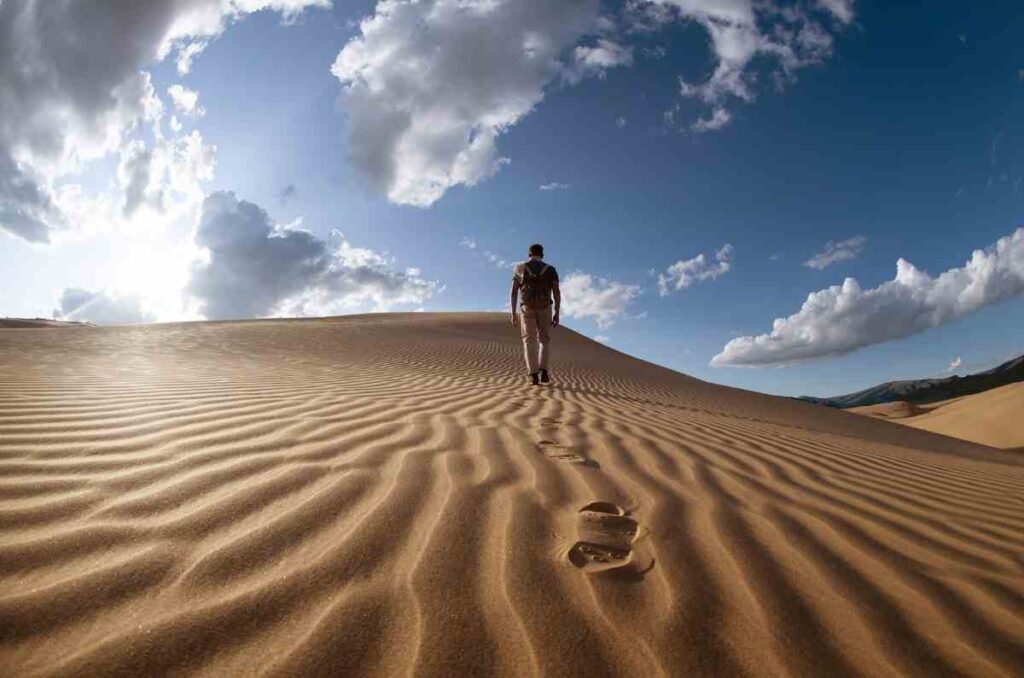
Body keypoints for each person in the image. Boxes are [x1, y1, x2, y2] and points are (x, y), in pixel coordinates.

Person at [509, 243, 560, 385]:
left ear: (529, 254)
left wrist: (513, 313)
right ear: (542, 255)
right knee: (544, 340)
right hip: (545, 308)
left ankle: (533, 374)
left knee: (529, 340)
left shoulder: (520, 267)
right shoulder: (551, 270)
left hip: (527, 308)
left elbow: (514, 292)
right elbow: (556, 292)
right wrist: (557, 312)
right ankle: (544, 371)